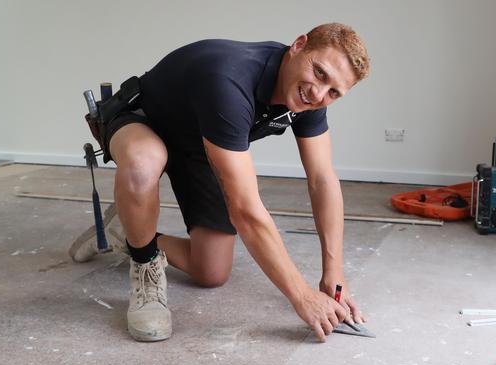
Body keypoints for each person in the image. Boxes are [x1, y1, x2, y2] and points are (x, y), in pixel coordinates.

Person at [70, 23, 370, 342]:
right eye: (320, 73)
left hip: (199, 142)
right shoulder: (229, 80)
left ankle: (123, 229)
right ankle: (144, 269)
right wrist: (301, 295)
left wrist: (333, 274)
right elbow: (246, 211)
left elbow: (323, 180)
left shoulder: (309, 97)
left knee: (211, 270)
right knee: (145, 162)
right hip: (143, 122)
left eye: (334, 92)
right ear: (298, 45)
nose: (319, 93)